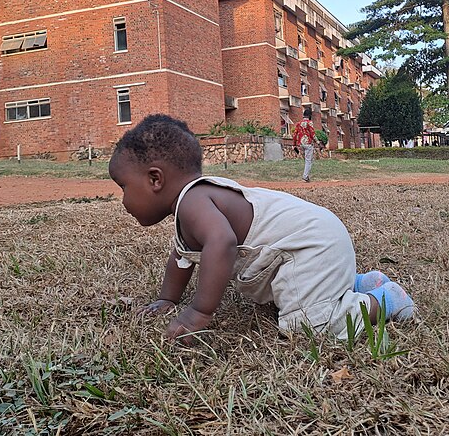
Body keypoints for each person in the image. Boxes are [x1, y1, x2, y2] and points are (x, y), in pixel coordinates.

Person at [108, 114, 415, 343]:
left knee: (308, 324)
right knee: (294, 303)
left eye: (123, 187)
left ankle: (385, 300)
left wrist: (199, 311)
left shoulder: (193, 202)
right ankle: (359, 283)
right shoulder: (195, 202)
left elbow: (222, 242)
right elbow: (181, 258)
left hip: (311, 247)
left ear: (155, 179)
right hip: (316, 239)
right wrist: (167, 299)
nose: (123, 199)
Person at [292, 107, 316, 182]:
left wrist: (294, 144)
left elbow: (295, 134)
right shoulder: (310, 122)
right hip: (308, 143)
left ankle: (306, 176)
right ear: (309, 115)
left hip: (301, 144)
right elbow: (312, 133)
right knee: (308, 161)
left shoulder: (298, 123)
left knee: (307, 160)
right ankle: (305, 177)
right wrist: (318, 142)